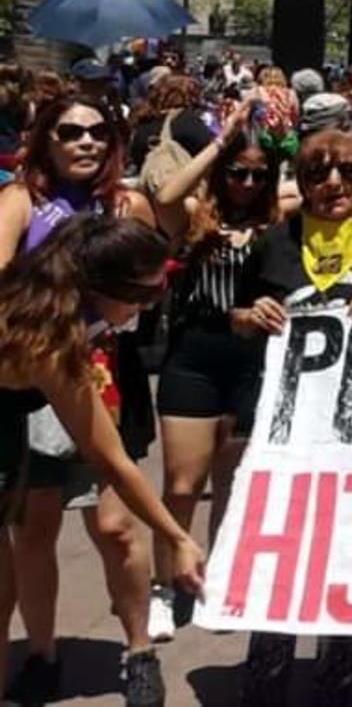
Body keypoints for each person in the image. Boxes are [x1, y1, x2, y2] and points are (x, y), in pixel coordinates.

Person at [235, 127, 352, 707]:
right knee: (280, 552)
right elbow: (234, 315)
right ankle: (266, 682)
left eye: (346, 172)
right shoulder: (274, 241)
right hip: (286, 436)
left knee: (347, 556)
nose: (332, 184)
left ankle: (342, 683)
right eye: (317, 174)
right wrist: (248, 315)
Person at [0, 217, 204, 707]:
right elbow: (111, 461)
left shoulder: (48, 298)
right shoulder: (48, 338)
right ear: (107, 288)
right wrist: (177, 538)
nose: (149, 309)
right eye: (149, 298)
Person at [0, 95, 162, 707]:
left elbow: (147, 284)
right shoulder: (21, 201)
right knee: (35, 530)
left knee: (117, 525)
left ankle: (140, 648)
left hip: (102, 376)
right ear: (47, 139)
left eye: (100, 131)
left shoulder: (127, 204)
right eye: (71, 131)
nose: (86, 142)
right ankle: (43, 654)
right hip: (30, 377)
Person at [145, 92, 283, 642]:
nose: (246, 184)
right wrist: (223, 141)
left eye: (256, 175)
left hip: (251, 366)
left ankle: (218, 576)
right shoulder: (193, 218)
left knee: (232, 484)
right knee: (181, 484)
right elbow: (166, 193)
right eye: (237, 173)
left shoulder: (278, 218)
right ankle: (163, 586)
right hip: (193, 359)